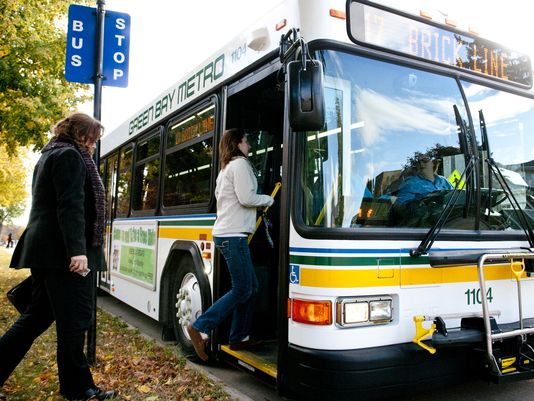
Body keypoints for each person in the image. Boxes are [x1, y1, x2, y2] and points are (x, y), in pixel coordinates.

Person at [0, 113, 116, 400]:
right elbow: (71, 205)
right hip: (63, 254)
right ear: (80, 134)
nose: (93, 145)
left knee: (35, 319)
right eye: (91, 138)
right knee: (74, 322)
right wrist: (77, 251)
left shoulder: (49, 154)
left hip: (47, 251)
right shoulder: (69, 156)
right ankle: (79, 388)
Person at [187, 128, 274, 361]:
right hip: (233, 235)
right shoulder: (240, 165)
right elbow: (247, 199)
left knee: (251, 287)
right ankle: (199, 326)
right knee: (243, 288)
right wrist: (269, 199)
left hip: (228, 234)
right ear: (237, 144)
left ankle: (239, 337)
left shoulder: (226, 169)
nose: (249, 146)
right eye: (246, 142)